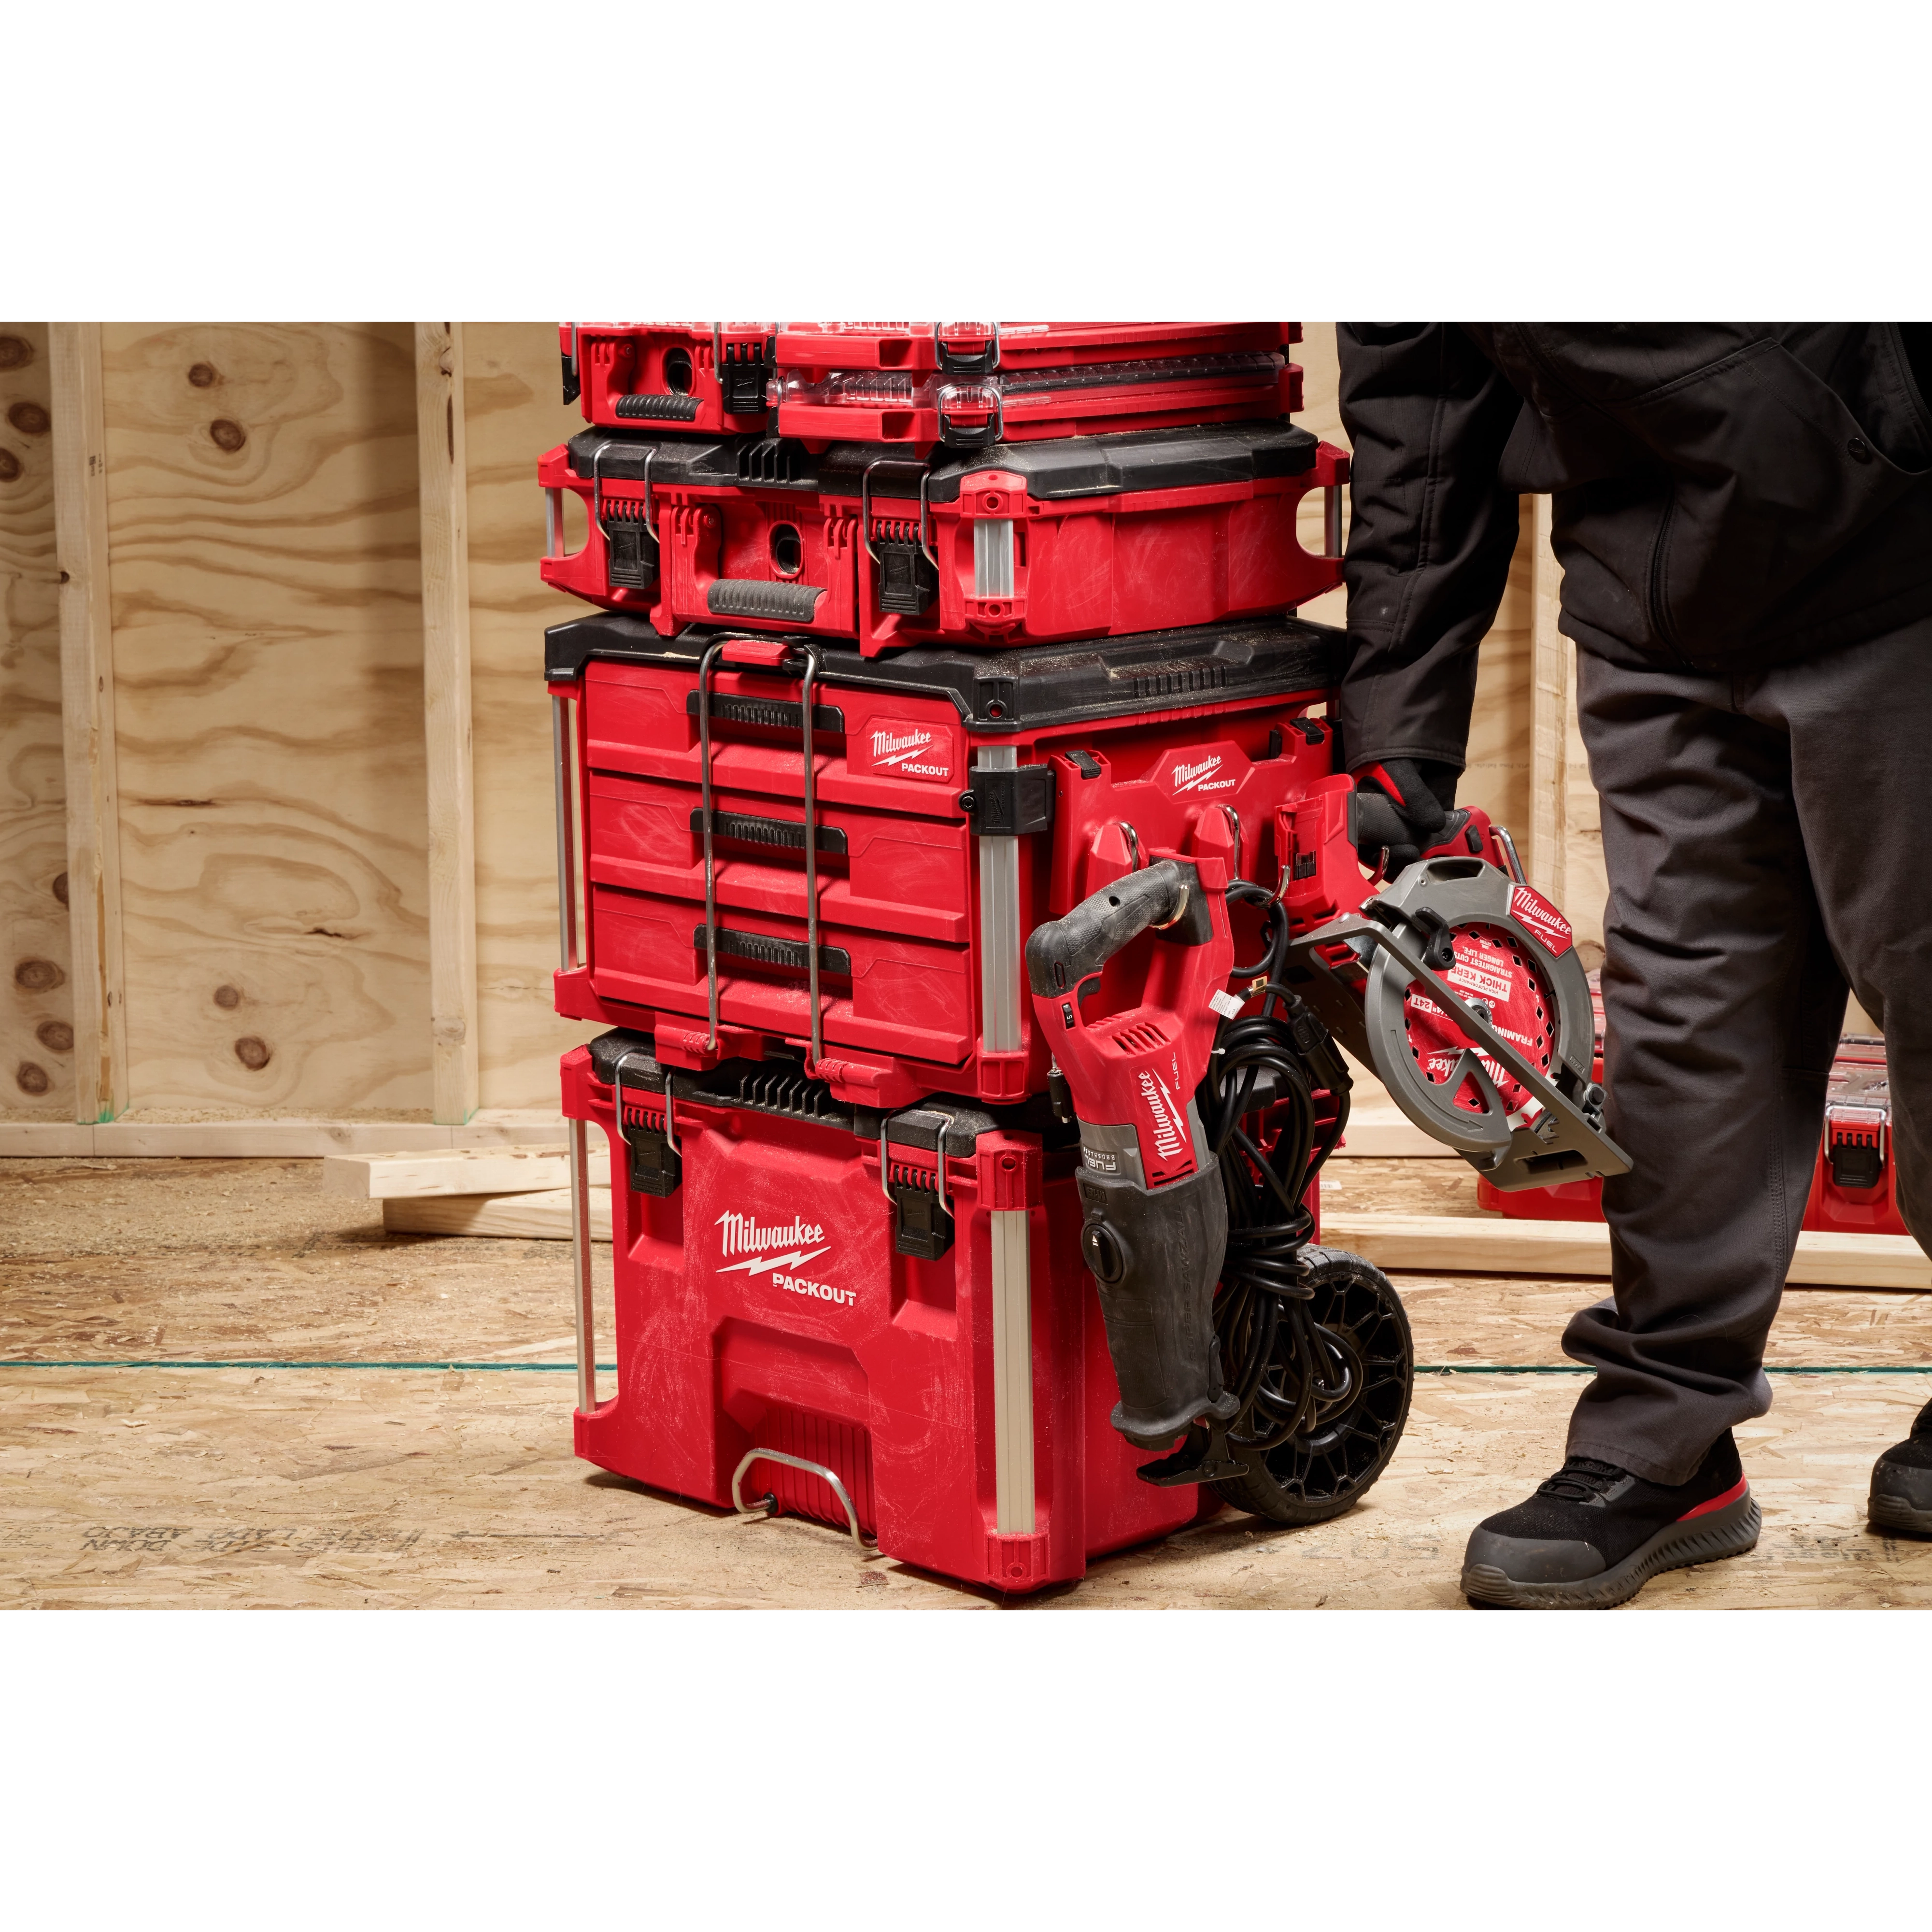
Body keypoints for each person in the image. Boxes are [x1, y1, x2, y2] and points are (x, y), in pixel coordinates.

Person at [1335, 321, 1932, 1609]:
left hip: (1898, 539)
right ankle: (1664, 1440)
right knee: (1683, 1009)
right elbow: (1423, 395)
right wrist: (1402, 714)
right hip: (1648, 579)